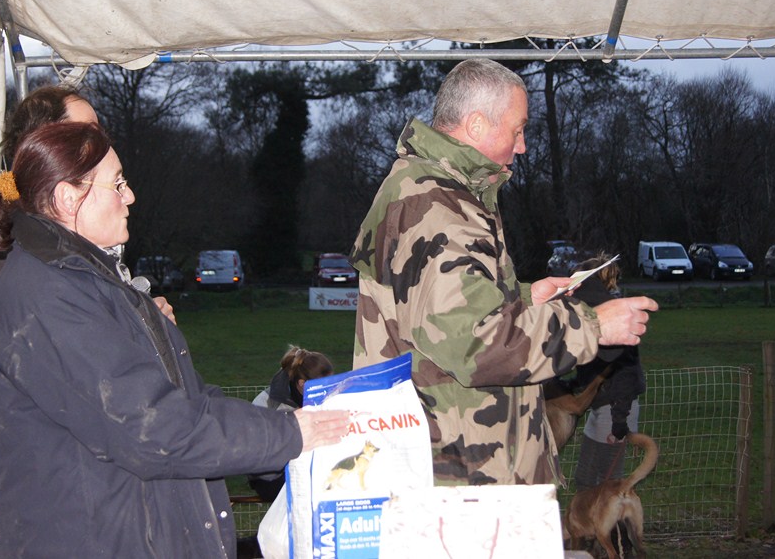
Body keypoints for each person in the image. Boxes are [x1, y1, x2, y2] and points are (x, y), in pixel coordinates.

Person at [0, 121, 350, 559]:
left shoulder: (93, 282)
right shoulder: (47, 296)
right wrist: (291, 433)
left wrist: (284, 438)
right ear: (67, 198)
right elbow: (153, 427)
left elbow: (187, 399)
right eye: (117, 184)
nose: (129, 196)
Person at [350, 58, 658, 486]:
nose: (523, 145)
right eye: (517, 129)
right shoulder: (436, 207)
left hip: (456, 461)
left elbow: (436, 310)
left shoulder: (434, 188)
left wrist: (521, 297)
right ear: (476, 124)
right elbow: (473, 340)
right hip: (460, 480)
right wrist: (593, 325)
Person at [0, 85, 174, 397]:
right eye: (86, 130)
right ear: (46, 141)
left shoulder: (78, 225)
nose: (99, 141)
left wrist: (147, 323)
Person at [568, 254, 647, 491]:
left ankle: (614, 528)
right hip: (601, 407)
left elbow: (626, 374)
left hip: (615, 410)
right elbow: (590, 367)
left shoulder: (615, 323)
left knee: (607, 484)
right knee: (586, 479)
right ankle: (592, 527)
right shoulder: (593, 315)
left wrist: (619, 423)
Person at [248, 346, 335, 501]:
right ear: (302, 384)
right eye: (324, 386)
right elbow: (259, 455)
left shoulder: (323, 397)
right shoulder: (268, 404)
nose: (329, 391)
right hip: (271, 477)